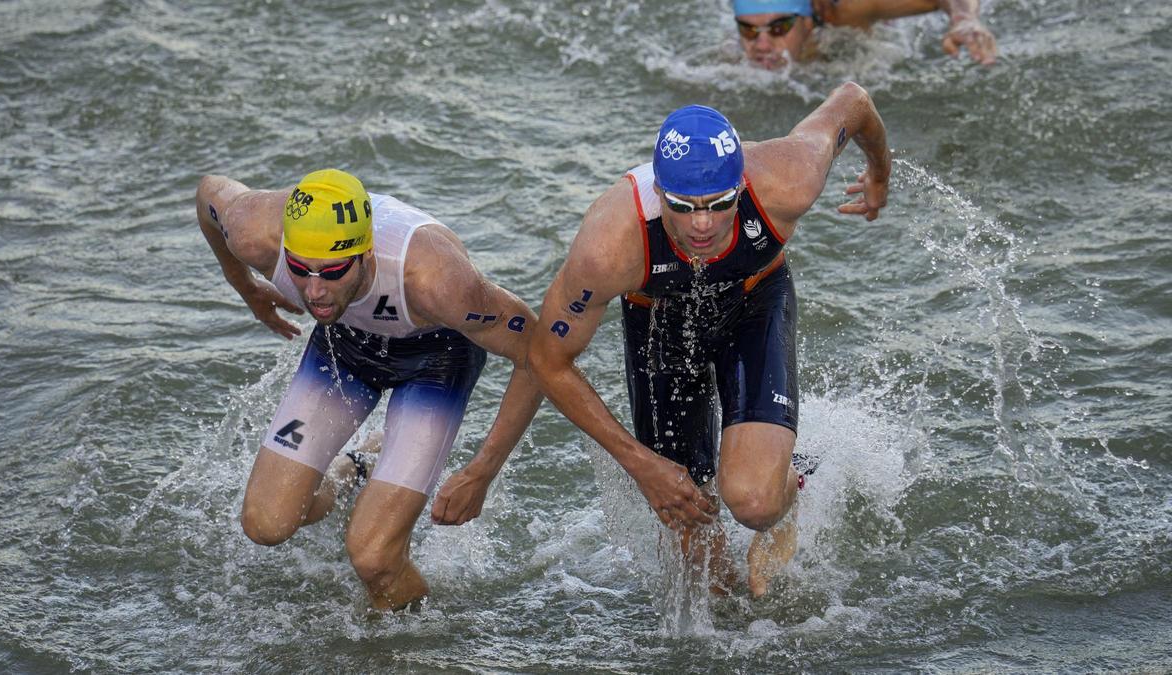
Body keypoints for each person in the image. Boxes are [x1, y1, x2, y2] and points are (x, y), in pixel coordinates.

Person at [527, 82, 890, 597]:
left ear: (741, 186)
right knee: (699, 554)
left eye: (720, 204)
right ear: (658, 193)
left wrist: (880, 173)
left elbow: (853, 101)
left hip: (754, 300)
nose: (702, 225)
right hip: (660, 324)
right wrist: (641, 465)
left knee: (755, 502)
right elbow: (547, 358)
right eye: (683, 205)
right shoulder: (610, 244)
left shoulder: (788, 178)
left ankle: (792, 483)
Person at [194, 169, 543, 610]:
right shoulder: (253, 230)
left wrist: (482, 470)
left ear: (366, 253)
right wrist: (246, 286)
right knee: (267, 523)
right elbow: (209, 192)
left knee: (374, 556)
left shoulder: (436, 280)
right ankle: (357, 467)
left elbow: (537, 352)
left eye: (332, 272)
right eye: (299, 270)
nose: (314, 290)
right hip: (344, 338)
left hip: (435, 359)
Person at [733, 0, 997, 69]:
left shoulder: (844, 15)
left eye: (779, 28)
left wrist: (963, 20)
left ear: (808, 23)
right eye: (748, 30)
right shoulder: (728, 65)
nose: (762, 44)